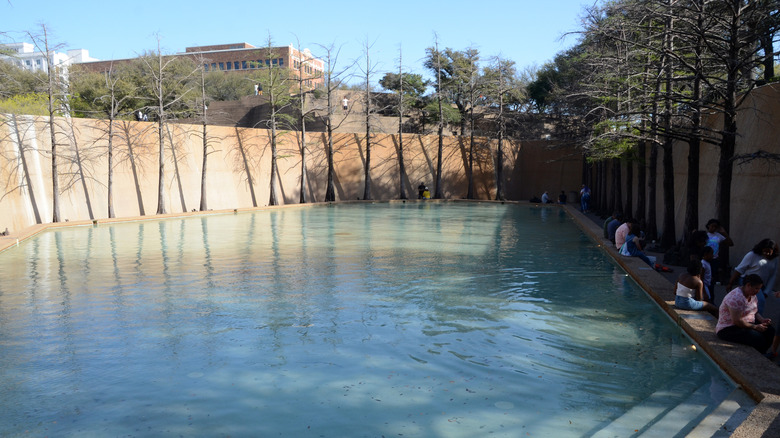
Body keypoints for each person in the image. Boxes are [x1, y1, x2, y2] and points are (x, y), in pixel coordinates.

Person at [716, 274, 775, 354]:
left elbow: (754, 311)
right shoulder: (736, 297)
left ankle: (762, 353)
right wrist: (755, 327)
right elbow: (737, 321)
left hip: (745, 322)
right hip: (729, 328)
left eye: (759, 289)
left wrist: (762, 320)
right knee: (758, 338)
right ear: (748, 285)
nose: (758, 291)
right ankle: (758, 356)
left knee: (770, 331)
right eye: (756, 288)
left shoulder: (752, 295)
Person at [726, 238, 777, 315]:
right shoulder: (752, 255)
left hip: (762, 285)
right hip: (749, 282)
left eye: (769, 252)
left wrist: (767, 291)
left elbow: (773, 275)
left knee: (752, 303)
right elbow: (740, 269)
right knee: (760, 300)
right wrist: (730, 282)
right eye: (765, 251)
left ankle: (747, 318)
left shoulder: (774, 259)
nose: (766, 253)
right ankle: (756, 321)